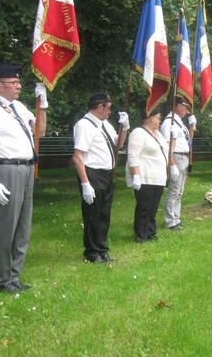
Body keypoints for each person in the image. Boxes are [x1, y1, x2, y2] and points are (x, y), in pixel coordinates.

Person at [0, 63, 47, 293]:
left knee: (23, 226)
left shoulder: (19, 107)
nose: (19, 86)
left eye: (19, 82)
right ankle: (1, 280)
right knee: (6, 226)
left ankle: (14, 276)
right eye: (14, 83)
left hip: (25, 169)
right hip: (5, 169)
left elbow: (40, 132)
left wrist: (43, 105)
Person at [72, 93, 129, 263]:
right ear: (100, 107)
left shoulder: (104, 124)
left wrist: (125, 128)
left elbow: (118, 144)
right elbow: (78, 157)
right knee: (92, 215)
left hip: (106, 174)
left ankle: (102, 250)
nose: (110, 111)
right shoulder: (84, 125)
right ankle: (92, 252)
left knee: (104, 215)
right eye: (108, 108)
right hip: (92, 173)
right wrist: (85, 183)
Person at [126, 107, 168, 243]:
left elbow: (165, 151)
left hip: (158, 177)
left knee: (153, 207)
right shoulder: (138, 133)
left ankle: (150, 232)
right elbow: (133, 155)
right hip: (145, 176)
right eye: (159, 118)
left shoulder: (159, 134)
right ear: (151, 117)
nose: (160, 121)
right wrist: (136, 176)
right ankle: (141, 235)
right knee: (144, 207)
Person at [160, 96, 196, 230]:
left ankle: (176, 217)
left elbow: (188, 141)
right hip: (176, 157)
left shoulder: (179, 122)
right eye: (185, 108)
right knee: (173, 191)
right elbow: (167, 146)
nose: (187, 111)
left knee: (179, 191)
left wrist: (192, 126)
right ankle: (169, 221)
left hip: (184, 157)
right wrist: (172, 165)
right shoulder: (169, 123)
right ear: (179, 107)